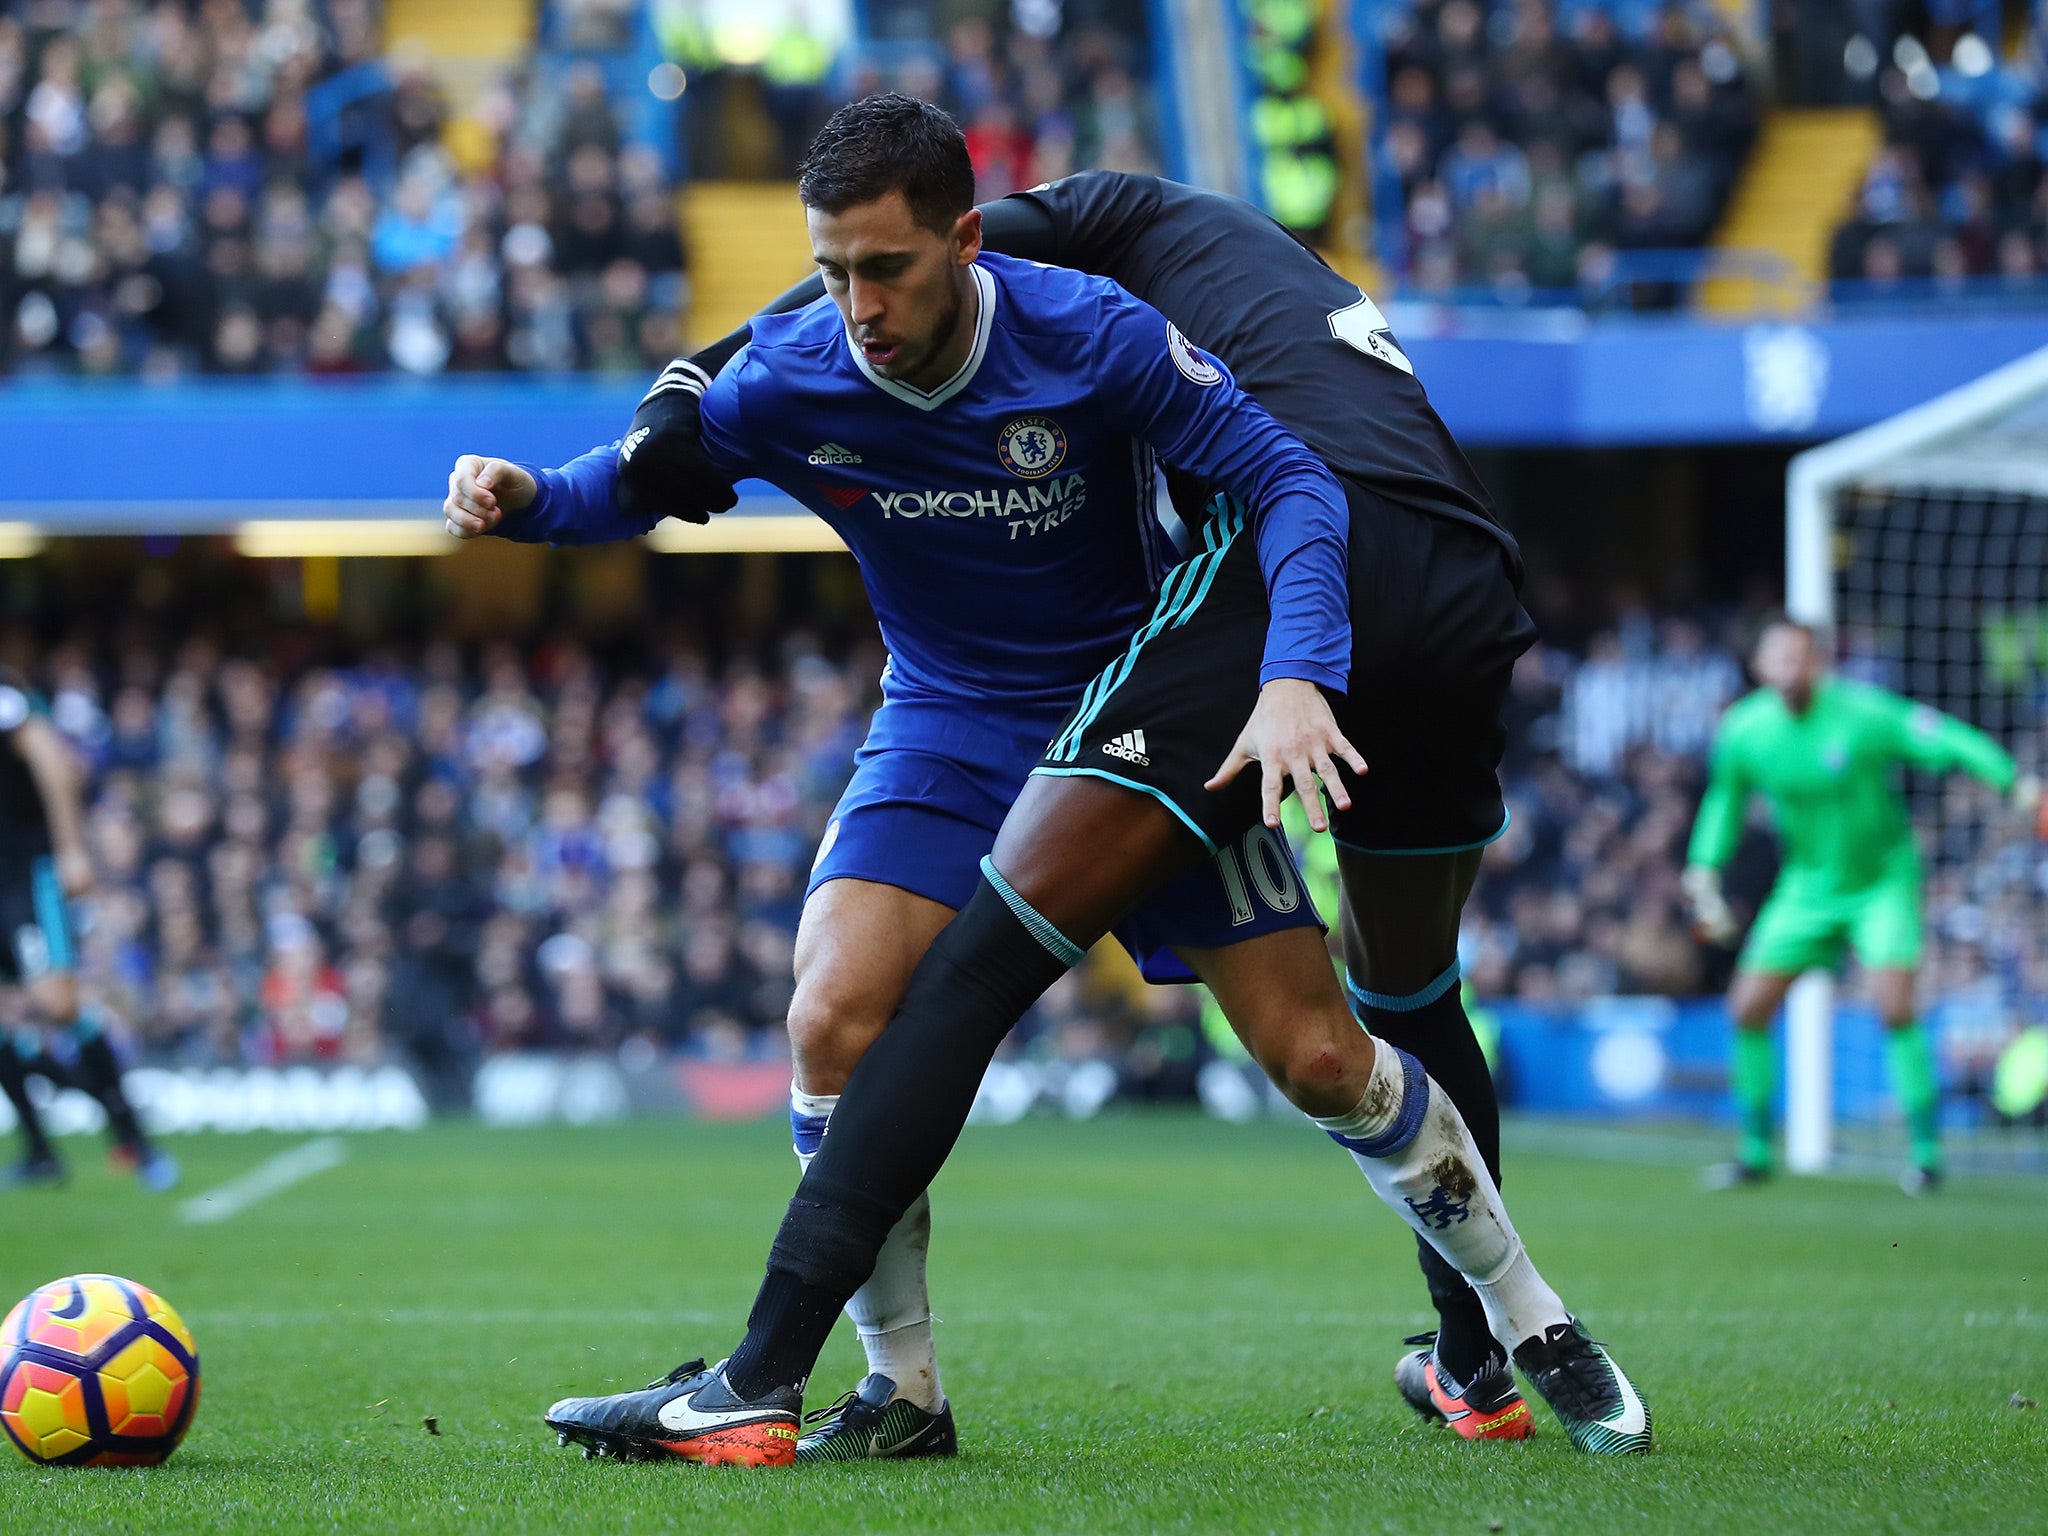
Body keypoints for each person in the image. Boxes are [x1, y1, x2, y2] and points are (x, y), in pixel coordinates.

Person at [532, 123, 1650, 1463]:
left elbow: (1284, 476)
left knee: (1321, 1056)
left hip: (1138, 694)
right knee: (833, 1011)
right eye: (834, 274)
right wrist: (533, 495)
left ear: (970, 243)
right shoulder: (805, 362)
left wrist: (1294, 669)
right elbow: (655, 470)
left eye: (886, 269)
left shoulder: (1098, 326)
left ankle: (1528, 1322)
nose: (859, 306)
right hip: (946, 717)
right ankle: (900, 1390)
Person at [1683, 617, 2041, 1194]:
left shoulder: (1863, 713)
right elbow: (1724, 801)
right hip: (1805, 889)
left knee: (1894, 1005)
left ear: (1819, 662)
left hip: (1882, 884)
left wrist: (2012, 781)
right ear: (1760, 667)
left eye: (1800, 658)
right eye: (1778, 659)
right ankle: (1754, 1152)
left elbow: (1944, 736)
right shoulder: (1745, 731)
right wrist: (1703, 868)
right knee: (1747, 1007)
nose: (1789, 669)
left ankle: (1926, 1154)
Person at [0, 667, 178, 1192]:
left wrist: (72, 848)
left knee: (57, 1007)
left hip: (24, 877)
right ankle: (40, 1151)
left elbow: (52, 761)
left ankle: (132, 1133)